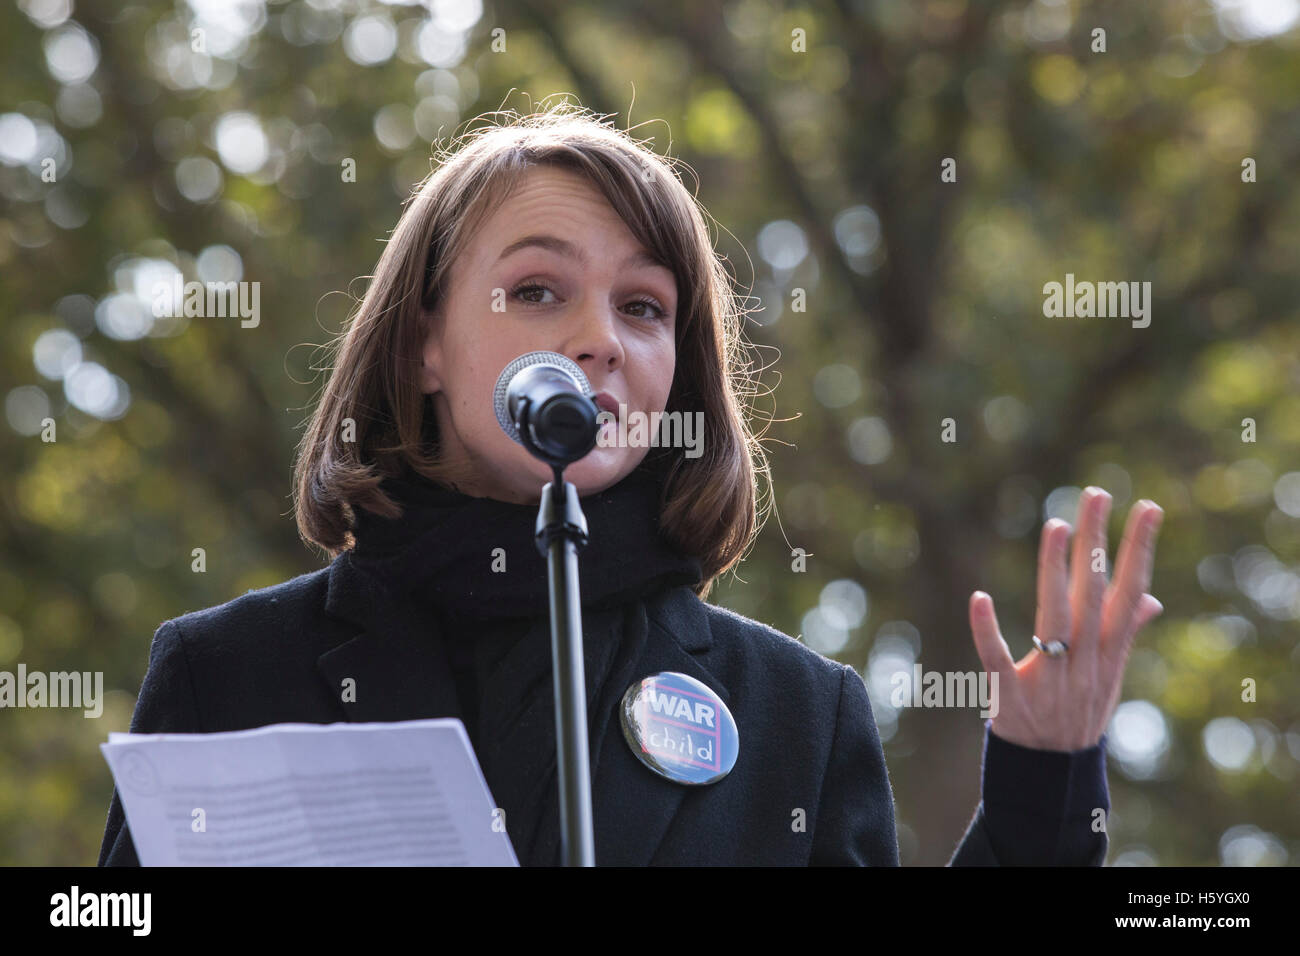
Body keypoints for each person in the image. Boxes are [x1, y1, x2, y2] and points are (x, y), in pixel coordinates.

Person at [98, 103, 1164, 867]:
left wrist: (1044, 777)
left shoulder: (795, 712)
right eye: (535, 288)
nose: (596, 339)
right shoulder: (227, 672)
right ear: (424, 341)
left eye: (644, 307)